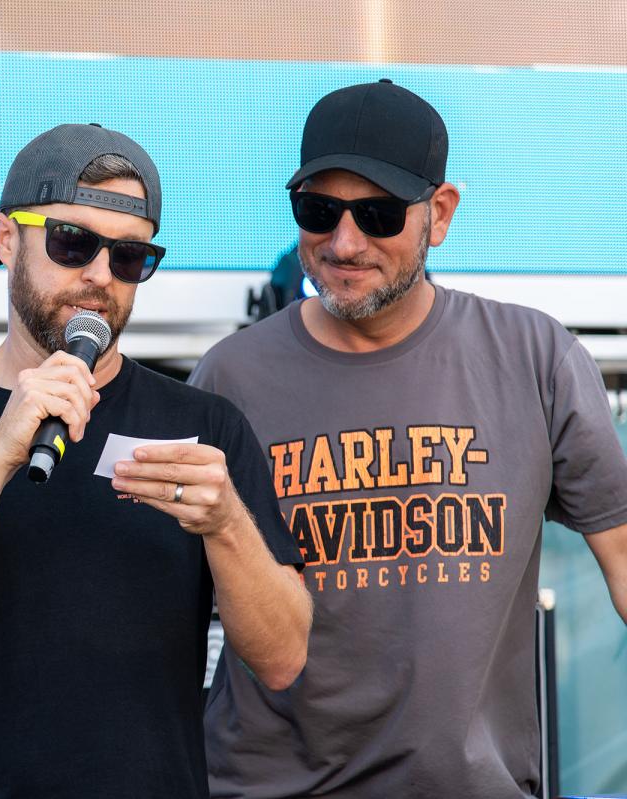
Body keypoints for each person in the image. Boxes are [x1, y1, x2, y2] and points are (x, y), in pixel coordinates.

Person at [0, 123, 311, 798]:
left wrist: (226, 524)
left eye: (130, 256)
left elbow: (284, 660)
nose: (100, 274)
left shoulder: (203, 426)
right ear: (6, 238)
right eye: (71, 242)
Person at [191, 80, 627, 797]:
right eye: (318, 211)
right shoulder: (228, 378)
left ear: (441, 213)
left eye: (379, 214)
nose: (344, 242)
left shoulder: (535, 358)